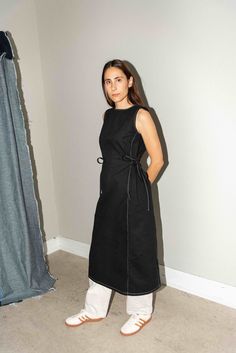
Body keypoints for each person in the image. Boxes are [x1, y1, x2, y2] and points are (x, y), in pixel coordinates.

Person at [65, 59, 164, 336]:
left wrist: (139, 187)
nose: (113, 87)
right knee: (102, 248)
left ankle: (141, 312)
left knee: (137, 250)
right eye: (108, 82)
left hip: (133, 193)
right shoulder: (107, 116)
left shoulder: (142, 115)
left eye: (118, 79)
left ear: (130, 81)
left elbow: (157, 160)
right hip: (108, 191)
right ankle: (94, 309)